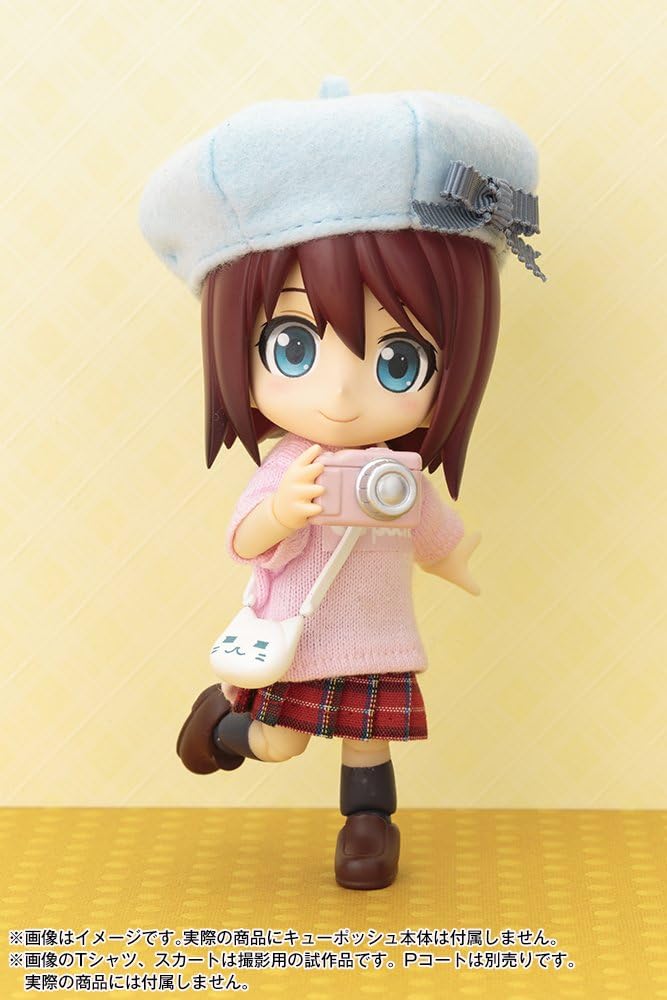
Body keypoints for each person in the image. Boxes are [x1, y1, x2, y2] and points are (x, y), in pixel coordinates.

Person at [140, 78, 544, 890]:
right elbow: (243, 539)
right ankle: (223, 729)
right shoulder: (293, 467)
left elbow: (426, 527)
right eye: (293, 347)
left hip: (379, 633)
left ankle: (368, 828)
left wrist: (455, 559)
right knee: (281, 742)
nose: (342, 395)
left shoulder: (397, 473)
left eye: (399, 360)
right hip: (301, 633)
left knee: (370, 742)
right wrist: (284, 511)